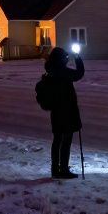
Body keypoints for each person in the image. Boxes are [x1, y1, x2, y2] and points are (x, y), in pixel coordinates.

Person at [41, 46, 85, 178]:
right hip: (66, 111)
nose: (66, 59)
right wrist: (77, 57)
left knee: (57, 140)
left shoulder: (50, 70)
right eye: (65, 57)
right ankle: (63, 169)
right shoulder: (62, 72)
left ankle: (55, 169)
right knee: (66, 141)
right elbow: (79, 73)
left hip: (56, 112)